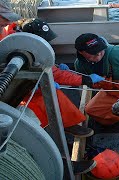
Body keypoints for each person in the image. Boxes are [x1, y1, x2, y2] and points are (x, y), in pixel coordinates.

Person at [0, 16, 102, 174]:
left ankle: (68, 125)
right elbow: (57, 75)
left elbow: (53, 71)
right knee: (32, 125)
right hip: (13, 96)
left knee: (54, 95)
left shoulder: (15, 38)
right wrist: (85, 79)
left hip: (20, 86)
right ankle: (61, 165)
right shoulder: (11, 46)